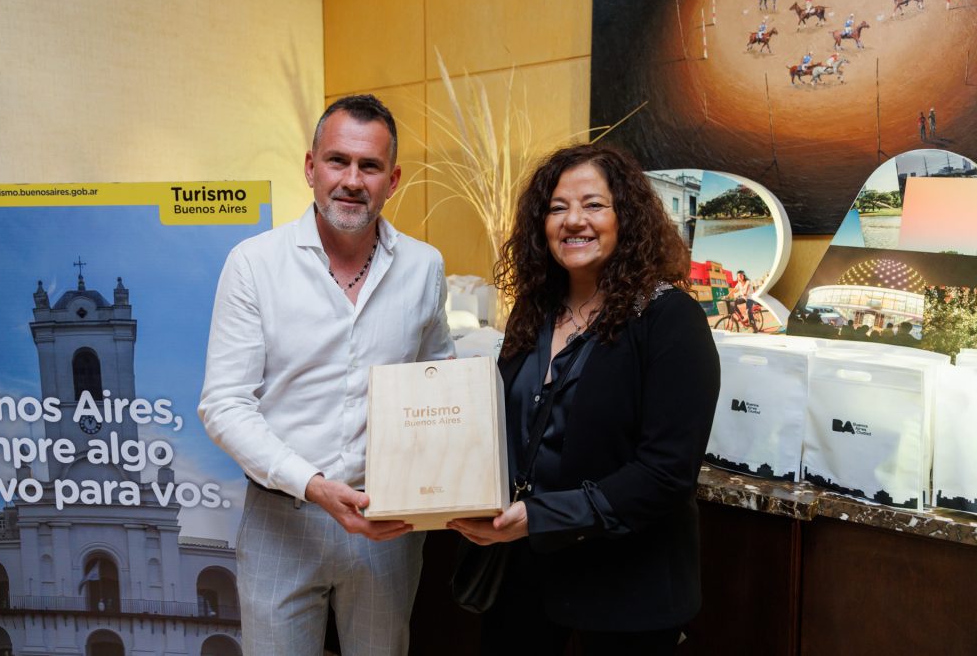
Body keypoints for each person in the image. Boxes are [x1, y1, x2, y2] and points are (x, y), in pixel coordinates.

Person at [199, 94, 454, 655]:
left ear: (393, 180)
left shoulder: (424, 267)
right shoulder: (254, 263)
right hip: (281, 519)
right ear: (311, 167)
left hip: (387, 523)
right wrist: (313, 484)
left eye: (370, 166)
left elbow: (440, 379)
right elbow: (224, 405)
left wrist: (460, 478)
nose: (352, 180)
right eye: (338, 161)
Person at [448, 144, 721, 655]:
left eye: (594, 204)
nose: (574, 220)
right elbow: (507, 429)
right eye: (558, 208)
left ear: (627, 217)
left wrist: (543, 516)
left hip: (625, 587)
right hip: (523, 576)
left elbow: (667, 473)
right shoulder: (534, 313)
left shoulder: (670, 320)